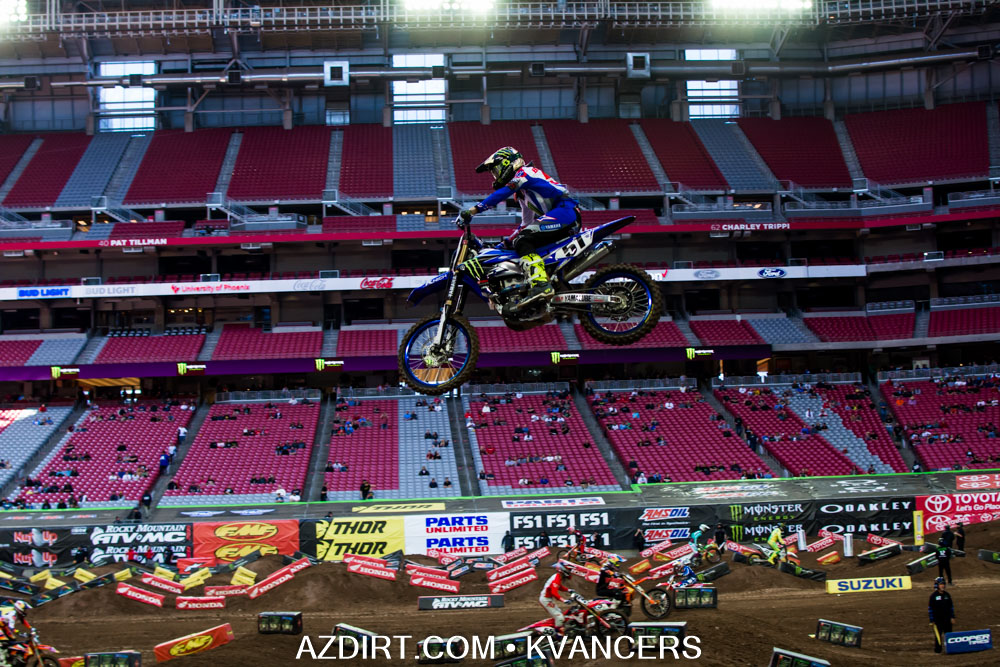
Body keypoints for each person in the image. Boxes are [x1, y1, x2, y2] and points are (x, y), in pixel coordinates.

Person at [459, 146, 581, 309]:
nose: (495, 175)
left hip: (566, 211)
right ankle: (543, 284)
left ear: (507, 163)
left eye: (496, 170)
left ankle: (541, 284)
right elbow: (525, 224)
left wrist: (474, 210)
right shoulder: (523, 193)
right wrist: (504, 243)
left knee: (523, 240)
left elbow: (502, 193)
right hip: (560, 217)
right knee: (522, 240)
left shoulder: (525, 173)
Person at [539, 563, 574, 635]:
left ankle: (559, 629)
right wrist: (564, 600)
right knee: (560, 618)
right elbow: (554, 593)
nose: (570, 573)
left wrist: (568, 590)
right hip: (545, 600)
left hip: (548, 599)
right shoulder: (556, 579)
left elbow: (559, 586)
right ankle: (558, 636)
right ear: (564, 571)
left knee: (560, 614)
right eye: (569, 571)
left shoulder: (557, 576)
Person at [928, 577, 954, 653]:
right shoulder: (933, 596)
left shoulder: (947, 595)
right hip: (938, 620)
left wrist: (952, 617)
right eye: (941, 584)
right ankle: (938, 650)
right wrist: (932, 620)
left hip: (947, 619)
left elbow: (951, 607)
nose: (942, 586)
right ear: (937, 585)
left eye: (943, 584)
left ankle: (950, 649)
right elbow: (930, 609)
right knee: (938, 636)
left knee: (948, 634)